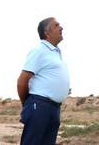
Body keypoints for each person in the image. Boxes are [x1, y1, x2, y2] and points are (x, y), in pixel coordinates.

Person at [17, 17, 70, 145]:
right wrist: (28, 103)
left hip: (53, 108)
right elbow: (22, 81)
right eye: (57, 25)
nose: (61, 27)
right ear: (47, 32)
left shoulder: (55, 52)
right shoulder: (39, 50)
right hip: (40, 106)